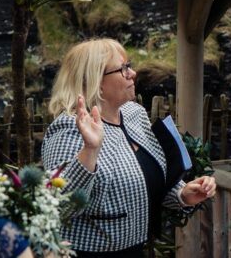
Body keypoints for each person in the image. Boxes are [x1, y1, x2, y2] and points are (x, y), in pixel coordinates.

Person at [42, 39, 217, 258]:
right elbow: (60, 207)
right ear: (96, 80)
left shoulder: (134, 114)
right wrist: (90, 150)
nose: (133, 73)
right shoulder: (70, 127)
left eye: (130, 65)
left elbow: (142, 175)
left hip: (134, 250)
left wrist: (181, 194)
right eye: (123, 68)